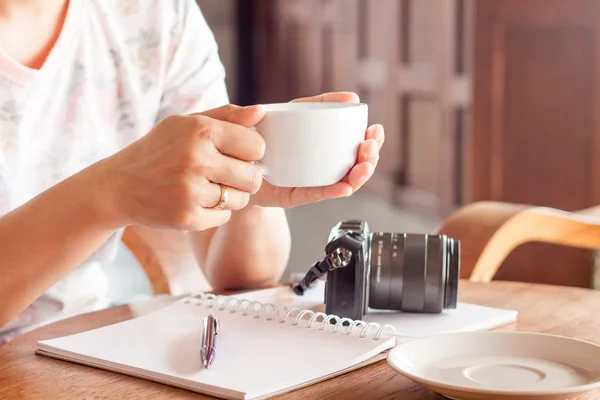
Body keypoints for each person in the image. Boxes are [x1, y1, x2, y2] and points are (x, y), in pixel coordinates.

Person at [0, 0, 384, 344]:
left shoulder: (156, 17)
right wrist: (110, 194)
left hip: (78, 341)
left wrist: (251, 181)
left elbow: (241, 279)